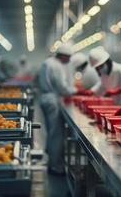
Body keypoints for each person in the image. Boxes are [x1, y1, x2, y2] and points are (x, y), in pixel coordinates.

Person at [38, 43, 76, 175]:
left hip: (44, 98)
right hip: (52, 100)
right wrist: (75, 91)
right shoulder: (57, 66)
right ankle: (55, 165)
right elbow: (62, 87)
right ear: (64, 56)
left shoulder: (47, 62)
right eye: (68, 58)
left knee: (51, 130)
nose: (68, 61)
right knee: (56, 133)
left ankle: (51, 160)